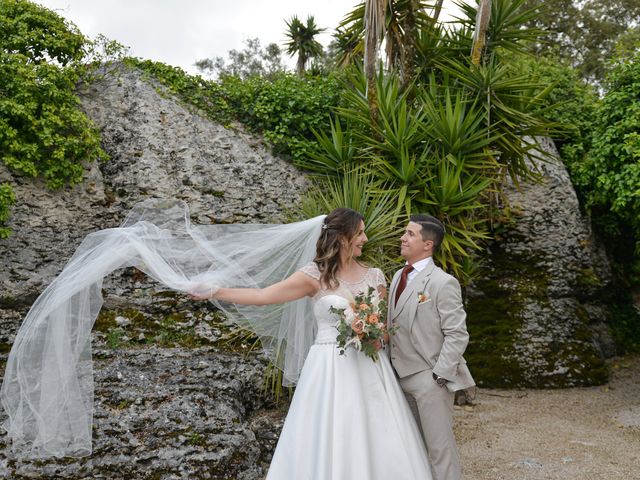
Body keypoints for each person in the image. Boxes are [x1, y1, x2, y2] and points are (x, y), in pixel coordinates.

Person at [191, 208, 433, 480]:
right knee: (327, 431)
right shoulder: (313, 277)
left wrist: (375, 335)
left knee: (377, 429)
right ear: (343, 238)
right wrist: (216, 291)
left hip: (371, 367)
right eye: (360, 233)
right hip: (328, 368)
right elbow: (262, 296)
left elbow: (387, 330)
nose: (365, 238)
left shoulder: (375, 276)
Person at [387, 214, 475, 480]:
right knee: (409, 450)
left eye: (410, 234)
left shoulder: (442, 282)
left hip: (429, 379)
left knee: (440, 450)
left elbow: (457, 334)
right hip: (396, 378)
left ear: (428, 244)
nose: (403, 237)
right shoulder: (396, 276)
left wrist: (439, 375)